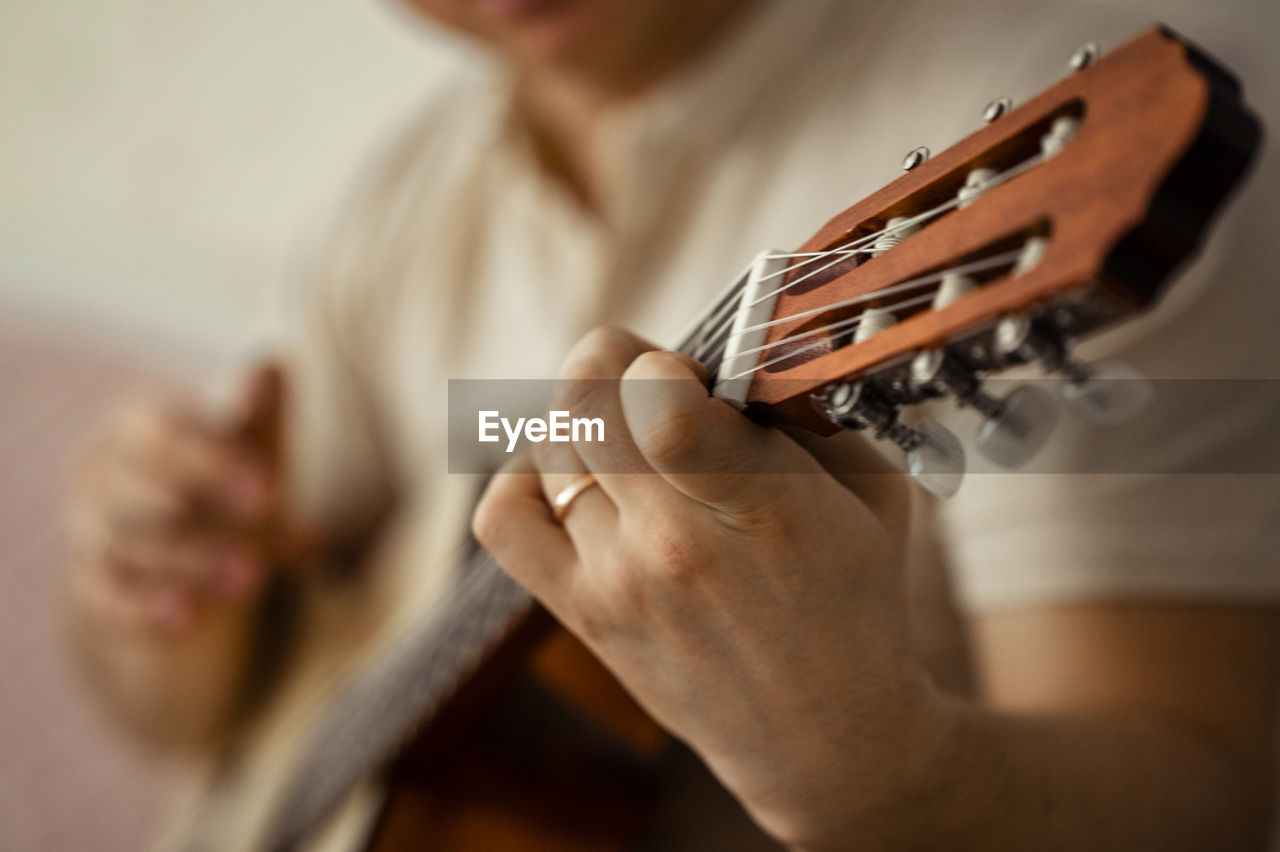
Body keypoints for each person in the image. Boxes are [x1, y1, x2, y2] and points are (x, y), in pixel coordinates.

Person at [66, 0, 1280, 848]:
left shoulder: (1027, 115)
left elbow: (1207, 803)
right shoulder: (407, 197)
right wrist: (144, 600)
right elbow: (189, 719)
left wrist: (890, 786)